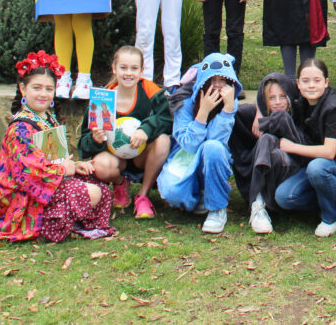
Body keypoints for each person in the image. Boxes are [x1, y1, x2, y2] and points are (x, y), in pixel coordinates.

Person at [0, 51, 114, 242]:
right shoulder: (19, 129)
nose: (43, 94)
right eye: (37, 88)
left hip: (50, 180)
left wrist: (75, 166)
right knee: (90, 193)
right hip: (27, 194)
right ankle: (45, 224)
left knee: (98, 185)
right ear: (23, 88)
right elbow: (29, 173)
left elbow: (55, 156)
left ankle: (63, 217)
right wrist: (63, 169)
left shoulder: (47, 117)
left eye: (48, 89)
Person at [78, 46, 172, 220]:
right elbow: (83, 143)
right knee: (100, 165)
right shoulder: (102, 98)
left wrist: (146, 129)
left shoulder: (152, 92)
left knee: (163, 141)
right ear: (114, 68)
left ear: (142, 70)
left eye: (134, 68)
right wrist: (95, 139)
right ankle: (120, 183)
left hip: (142, 156)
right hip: (115, 159)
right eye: (123, 68)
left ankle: (143, 196)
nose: (128, 73)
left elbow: (167, 121)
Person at [274, 58, 336, 237]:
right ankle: (329, 201)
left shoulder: (334, 108)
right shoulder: (302, 102)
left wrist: (292, 147)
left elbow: (329, 152)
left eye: (317, 80)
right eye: (305, 81)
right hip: (314, 163)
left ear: (326, 82)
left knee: (317, 167)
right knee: (284, 197)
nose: (311, 86)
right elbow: (271, 88)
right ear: (298, 83)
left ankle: (334, 215)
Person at [157, 53, 242, 234]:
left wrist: (226, 111)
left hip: (213, 156)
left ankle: (216, 208)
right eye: (213, 79)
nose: (218, 85)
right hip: (185, 156)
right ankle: (197, 198)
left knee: (212, 147)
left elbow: (216, 142)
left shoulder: (230, 102)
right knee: (172, 193)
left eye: (223, 80)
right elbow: (189, 145)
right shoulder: (185, 101)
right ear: (203, 80)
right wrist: (202, 113)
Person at [229, 72, 306, 234]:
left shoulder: (299, 114)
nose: (278, 102)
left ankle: (258, 202)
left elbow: (283, 120)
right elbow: (233, 113)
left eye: (283, 97)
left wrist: (264, 121)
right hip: (261, 173)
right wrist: (259, 110)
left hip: (290, 176)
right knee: (267, 139)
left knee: (268, 138)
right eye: (272, 98)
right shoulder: (257, 114)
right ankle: (258, 205)